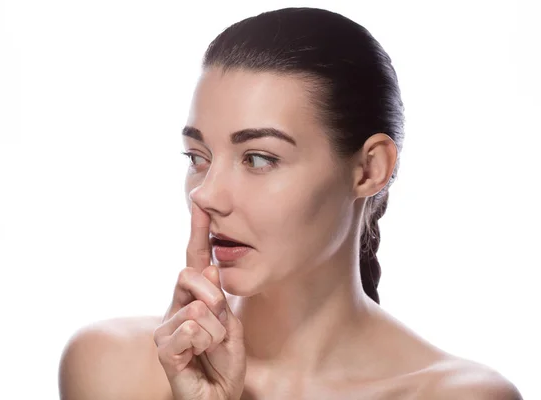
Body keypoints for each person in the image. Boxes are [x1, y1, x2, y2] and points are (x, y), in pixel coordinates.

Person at [58, 7, 522, 399]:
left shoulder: (457, 394)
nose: (206, 193)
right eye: (198, 157)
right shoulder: (113, 368)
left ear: (369, 169)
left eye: (258, 158)